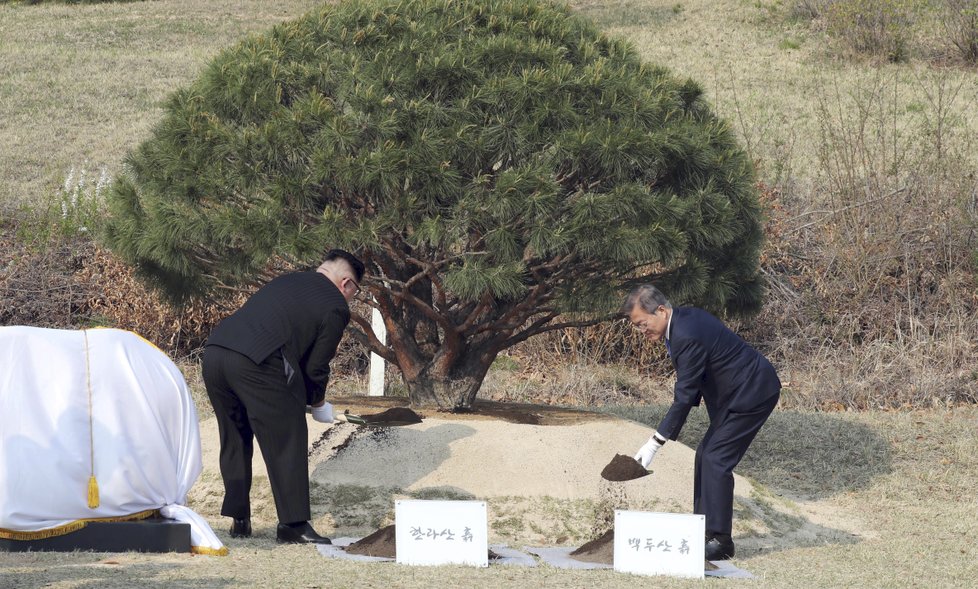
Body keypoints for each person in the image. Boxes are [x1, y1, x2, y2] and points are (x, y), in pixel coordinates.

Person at [202, 249, 364, 544]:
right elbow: (316, 365)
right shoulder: (335, 306)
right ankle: (293, 524)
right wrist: (318, 404)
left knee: (235, 435)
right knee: (287, 434)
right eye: (355, 291)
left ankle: (240, 519)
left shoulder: (288, 281)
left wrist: (308, 396)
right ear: (347, 284)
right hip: (257, 361)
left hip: (215, 352)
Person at [623, 284, 780, 561]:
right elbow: (693, 384)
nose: (641, 330)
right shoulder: (681, 322)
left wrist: (655, 442)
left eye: (642, 323)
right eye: (637, 326)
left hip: (753, 391)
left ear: (660, 310)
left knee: (717, 459)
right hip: (735, 394)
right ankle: (703, 531)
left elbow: (684, 396)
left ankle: (720, 541)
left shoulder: (685, 334)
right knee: (704, 455)